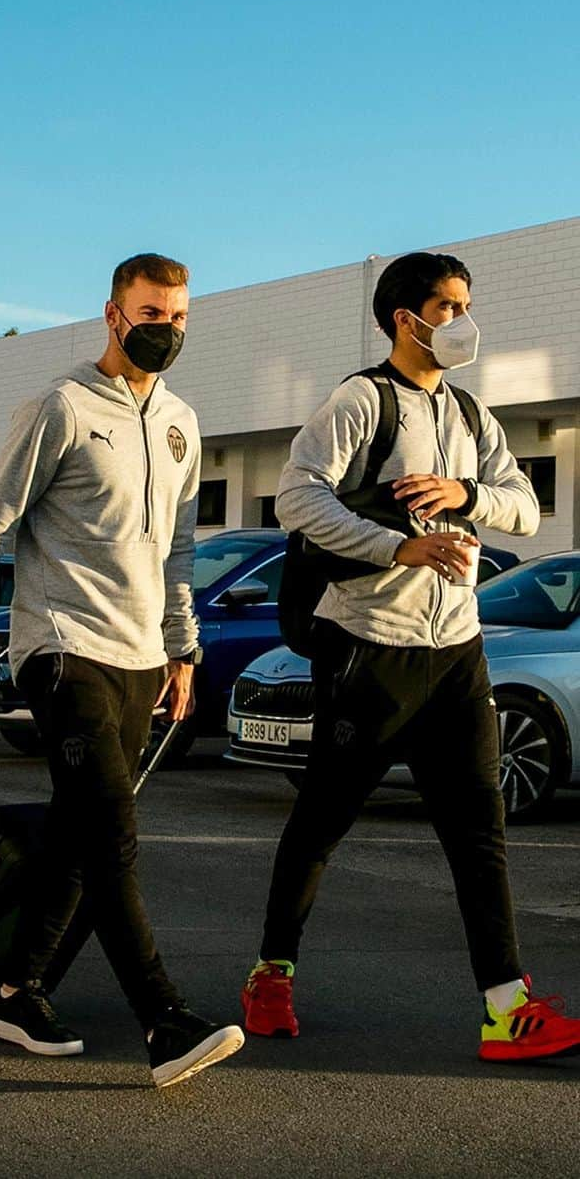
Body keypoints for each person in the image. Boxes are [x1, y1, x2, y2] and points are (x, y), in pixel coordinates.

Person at [241, 250, 580, 1063]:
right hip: (371, 650)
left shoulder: (469, 414)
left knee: (479, 829)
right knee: (323, 821)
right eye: (450, 305)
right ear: (406, 318)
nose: (464, 320)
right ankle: (271, 975)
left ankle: (506, 1008)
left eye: (467, 304)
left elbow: (526, 509)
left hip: (457, 650)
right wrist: (399, 548)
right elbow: (296, 495)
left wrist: (466, 496)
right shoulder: (362, 400)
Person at [0, 252, 244, 1088]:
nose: (166, 329)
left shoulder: (182, 421)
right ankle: (163, 1018)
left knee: (77, 839)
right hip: (63, 647)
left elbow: (178, 548)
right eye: (150, 314)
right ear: (112, 315)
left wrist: (183, 647)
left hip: (143, 656)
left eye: (178, 317)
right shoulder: (60, 407)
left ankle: (17, 992)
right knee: (112, 830)